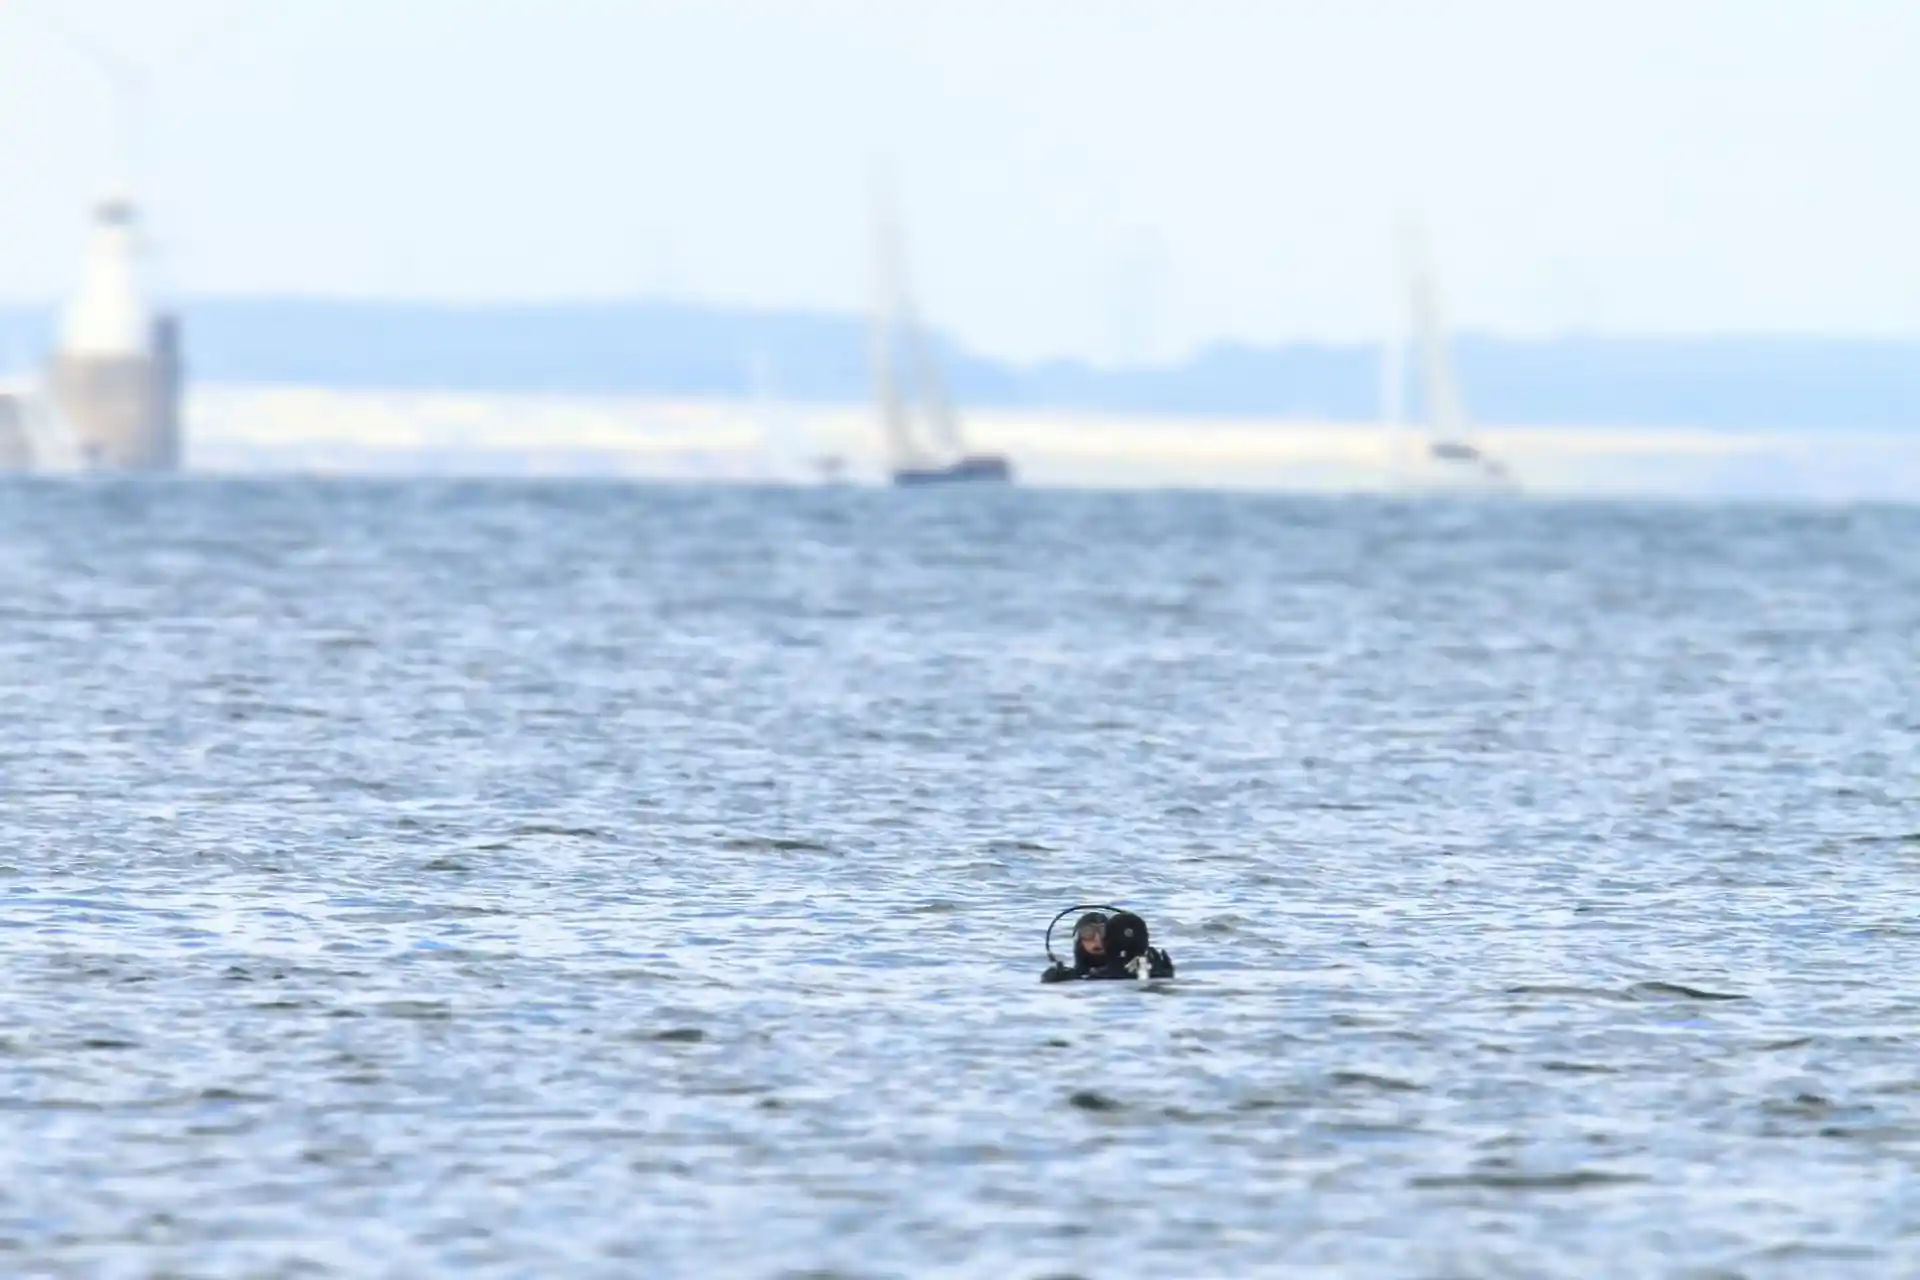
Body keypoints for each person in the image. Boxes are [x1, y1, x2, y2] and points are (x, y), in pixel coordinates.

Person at [1041, 909, 1175, 982]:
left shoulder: (1135, 967)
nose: (1097, 939)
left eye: (1103, 932)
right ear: (1079, 940)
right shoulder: (1068, 976)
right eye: (1089, 933)